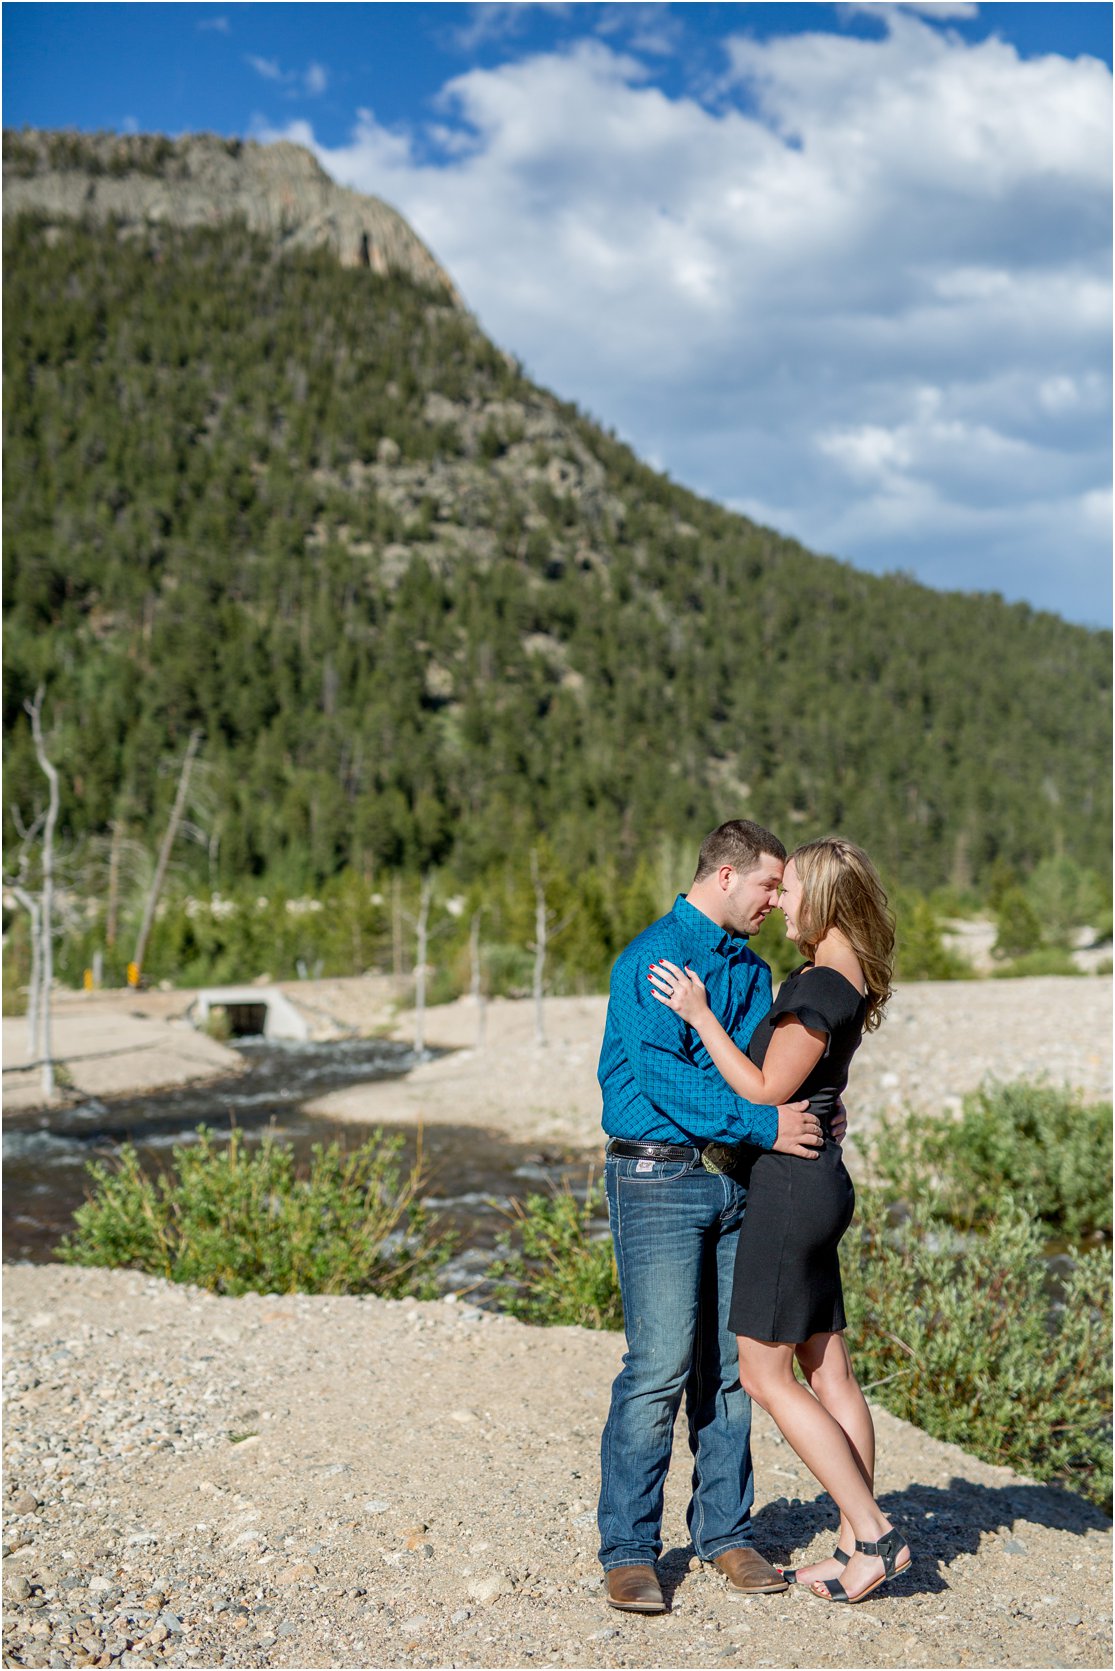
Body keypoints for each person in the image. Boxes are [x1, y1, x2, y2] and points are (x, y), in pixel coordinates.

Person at [648, 836, 910, 1606]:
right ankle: (848, 1544)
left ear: (823, 899)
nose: (778, 902)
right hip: (818, 1181)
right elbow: (812, 1084)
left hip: (790, 1192)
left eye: (790, 890)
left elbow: (763, 1091)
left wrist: (699, 1016)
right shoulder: (846, 977)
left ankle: (872, 1533)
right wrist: (829, 1107)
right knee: (829, 1370)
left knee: (764, 1374)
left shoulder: (817, 984)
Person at [596, 819, 845, 1616]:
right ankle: (630, 1551)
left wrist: (814, 1112)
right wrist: (768, 1126)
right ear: (726, 875)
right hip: (657, 1177)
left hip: (740, 1183)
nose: (779, 898)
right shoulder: (650, 958)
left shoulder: (754, 967)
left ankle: (726, 1533)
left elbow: (765, 1074)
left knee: (736, 1368)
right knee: (660, 1365)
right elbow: (666, 1081)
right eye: (771, 884)